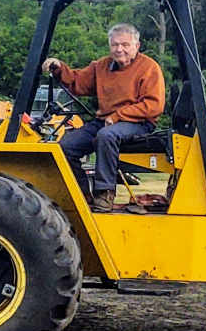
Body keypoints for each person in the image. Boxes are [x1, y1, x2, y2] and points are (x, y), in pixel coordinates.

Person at [41, 23, 165, 211]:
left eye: (125, 44)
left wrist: (118, 116)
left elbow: (153, 106)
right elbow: (77, 81)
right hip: (105, 121)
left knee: (106, 136)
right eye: (115, 45)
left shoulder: (149, 68)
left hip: (138, 123)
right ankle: (81, 194)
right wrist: (58, 68)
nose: (119, 49)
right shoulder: (102, 66)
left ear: (136, 46)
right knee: (65, 147)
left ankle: (104, 194)